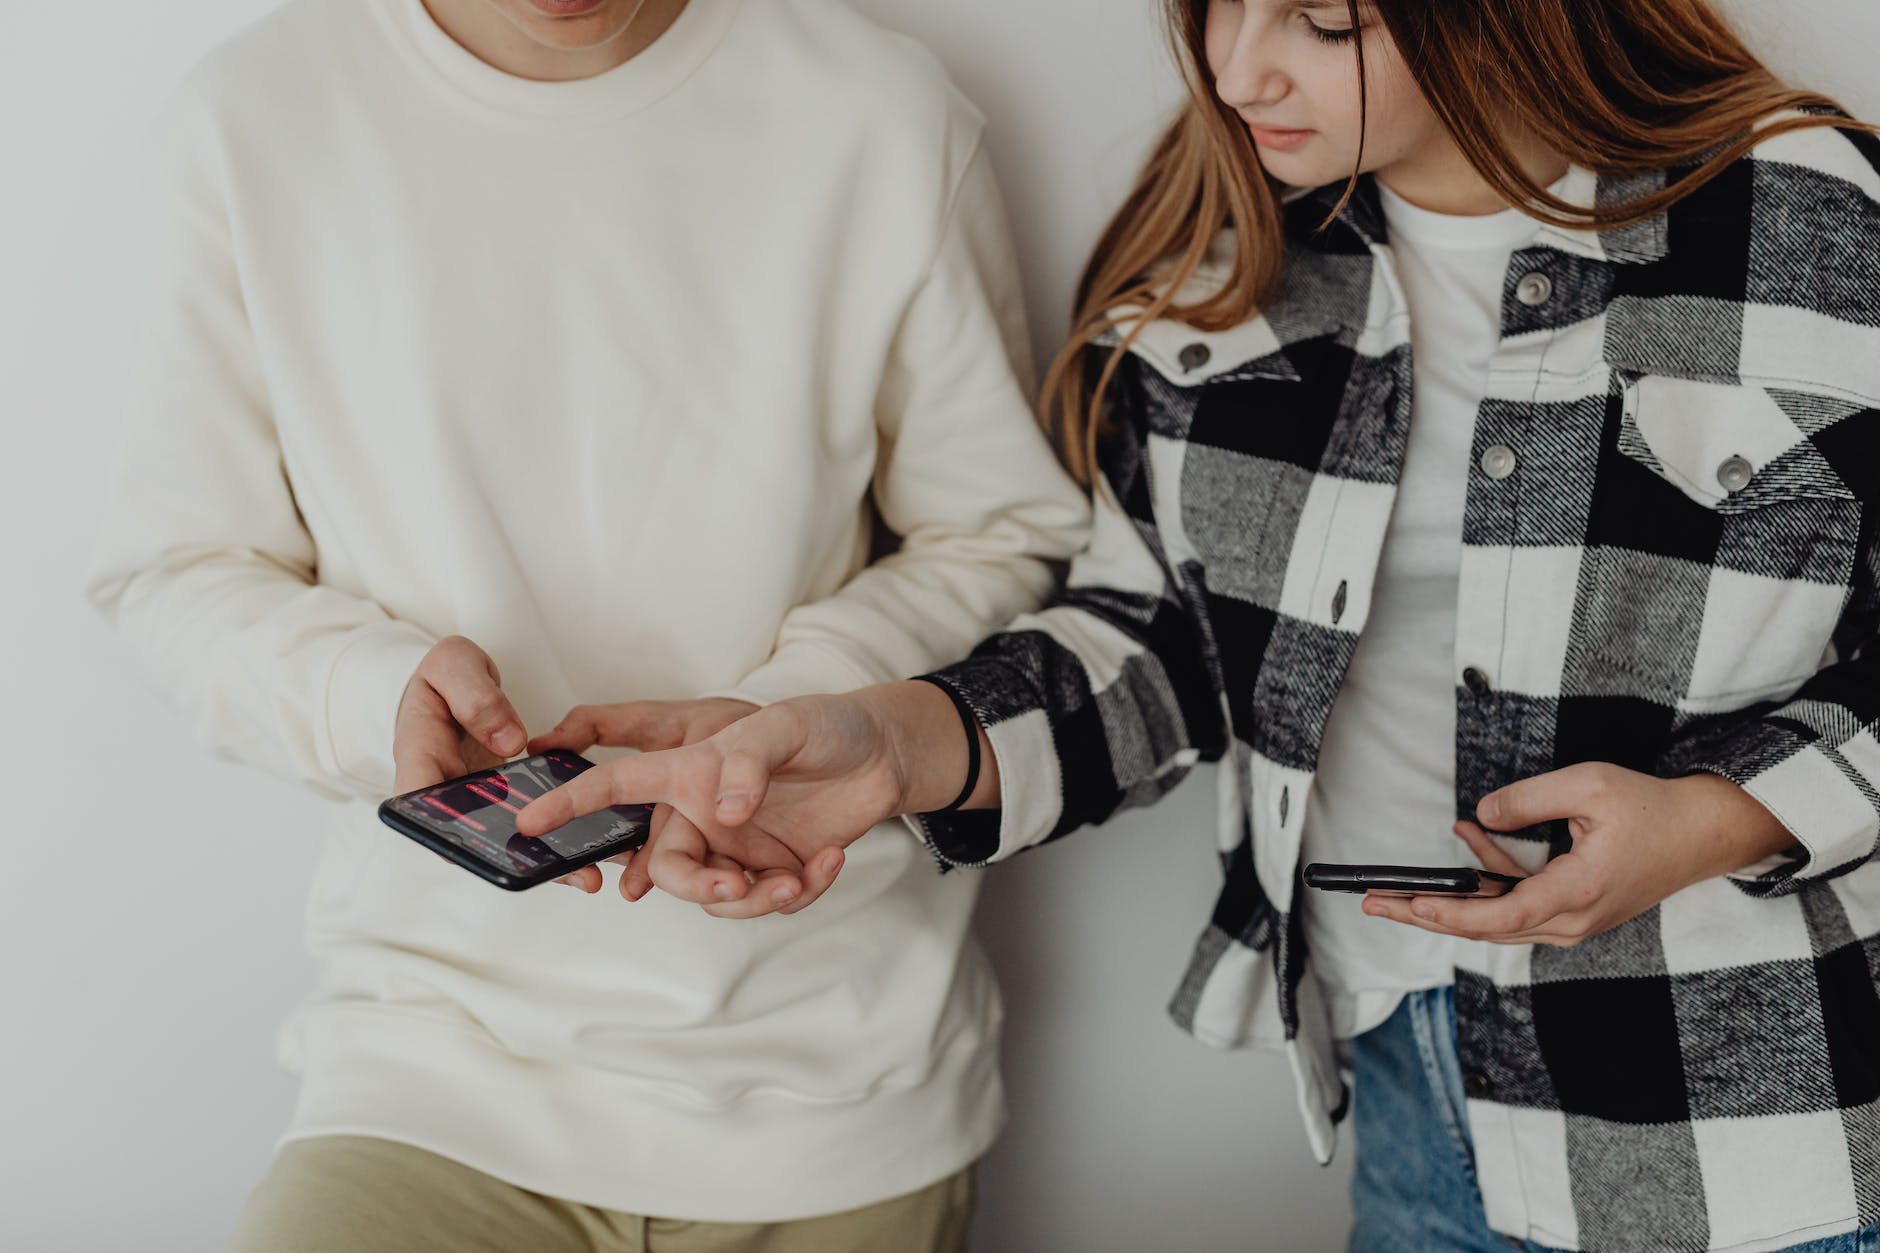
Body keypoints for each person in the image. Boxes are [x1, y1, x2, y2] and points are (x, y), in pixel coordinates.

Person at [515, 1, 1880, 1249]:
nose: (1236, 71)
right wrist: (894, 743)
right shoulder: (1225, 273)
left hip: (1774, 1135)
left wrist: (1719, 816)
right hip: (1417, 1099)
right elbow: (1157, 650)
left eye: (1323, 21)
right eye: (1213, 5)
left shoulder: (1805, 221)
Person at [83, 0, 1090, 1248]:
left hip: (831, 1071)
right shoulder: (258, 116)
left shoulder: (880, 111)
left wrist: (799, 701)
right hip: (431, 1060)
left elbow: (1000, 531)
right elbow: (179, 569)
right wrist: (368, 694)